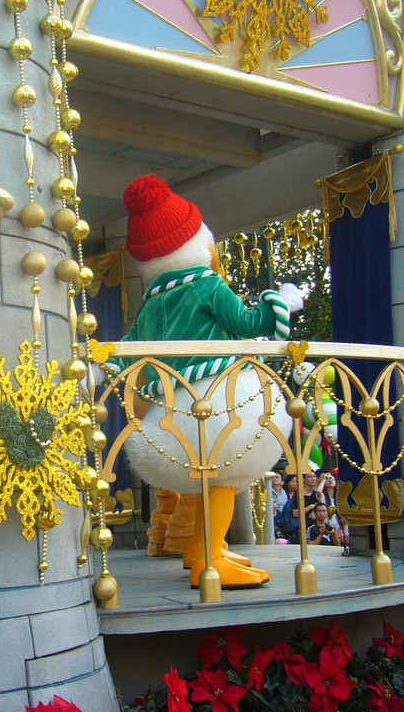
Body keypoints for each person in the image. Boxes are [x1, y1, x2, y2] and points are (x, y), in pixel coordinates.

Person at [104, 173, 303, 589]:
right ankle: (209, 562)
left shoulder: (151, 304)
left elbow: (126, 351)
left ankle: (198, 549)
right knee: (225, 478)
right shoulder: (207, 285)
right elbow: (251, 323)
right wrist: (283, 301)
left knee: (202, 479)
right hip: (222, 407)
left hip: (168, 421)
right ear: (198, 243)